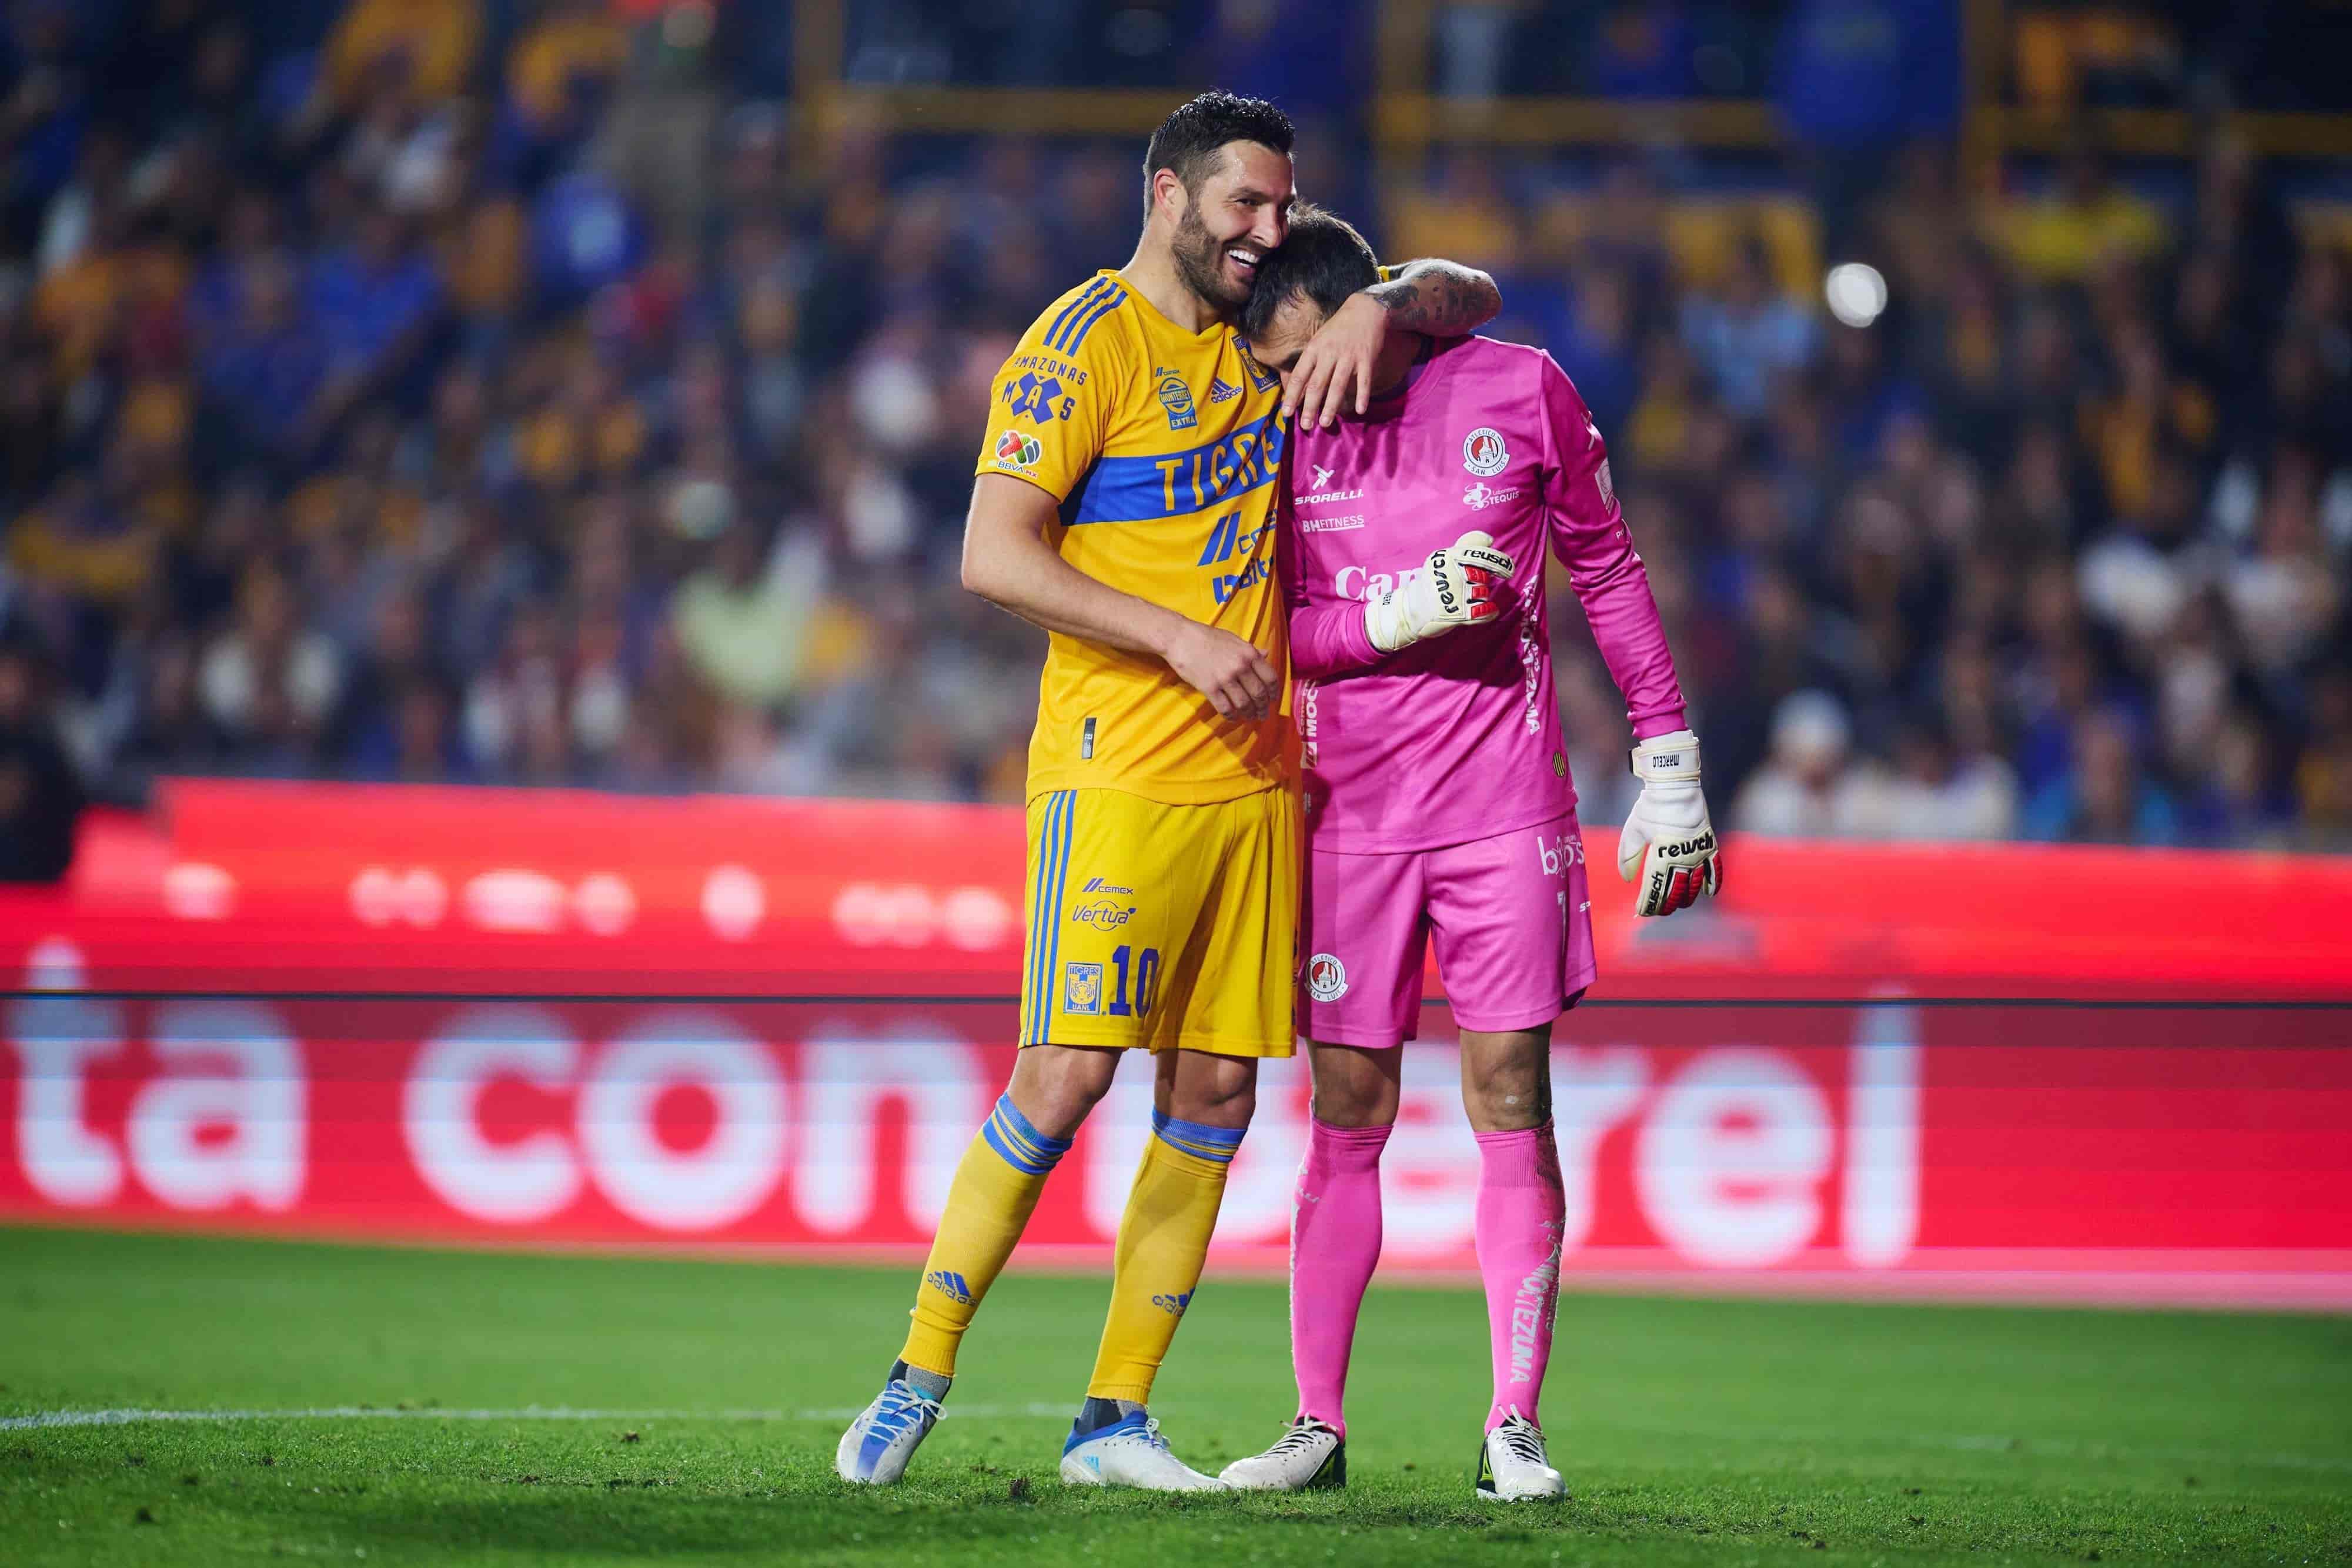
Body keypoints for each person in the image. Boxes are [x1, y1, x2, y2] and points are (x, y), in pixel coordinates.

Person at [835, 93, 1502, 1493]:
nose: (1265, 231)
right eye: (1241, 205)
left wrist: (1384, 301)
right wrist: (1181, 636)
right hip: (1119, 766)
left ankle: (1112, 1418)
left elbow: (1473, 295)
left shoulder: (1285, 333)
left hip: (1260, 785)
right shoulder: (1083, 342)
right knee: (1066, 1072)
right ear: (1164, 196)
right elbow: (991, 554)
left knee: (1211, 1093)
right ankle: (917, 1371)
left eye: (1280, 206)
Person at [1218, 206, 1720, 1502]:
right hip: (1346, 817)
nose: (1282, 390)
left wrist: (1667, 765)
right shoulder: (1270, 437)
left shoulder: (1519, 386)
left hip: (1504, 809)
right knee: (1346, 1114)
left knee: (1509, 1100)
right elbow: (1270, 635)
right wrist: (1387, 616)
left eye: (1295, 359)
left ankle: (1512, 1424)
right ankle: (1313, 1427)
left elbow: (1605, 568)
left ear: (1366, 317)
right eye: (1268, 371)